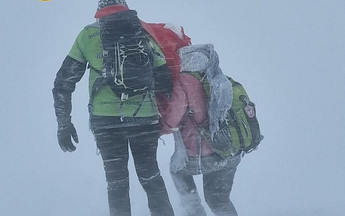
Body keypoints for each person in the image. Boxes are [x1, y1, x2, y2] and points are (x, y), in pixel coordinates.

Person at [52, 0, 175, 215]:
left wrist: (64, 123)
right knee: (151, 177)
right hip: (143, 119)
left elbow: (63, 83)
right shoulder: (142, 32)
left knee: (117, 183)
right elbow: (165, 79)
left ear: (100, 8)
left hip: (105, 121)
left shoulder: (87, 35)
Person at [158, 44, 241, 216]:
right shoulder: (219, 77)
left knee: (177, 171)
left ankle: (194, 211)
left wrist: (157, 128)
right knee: (218, 200)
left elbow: (172, 119)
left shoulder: (182, 81)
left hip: (202, 155)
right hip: (230, 150)